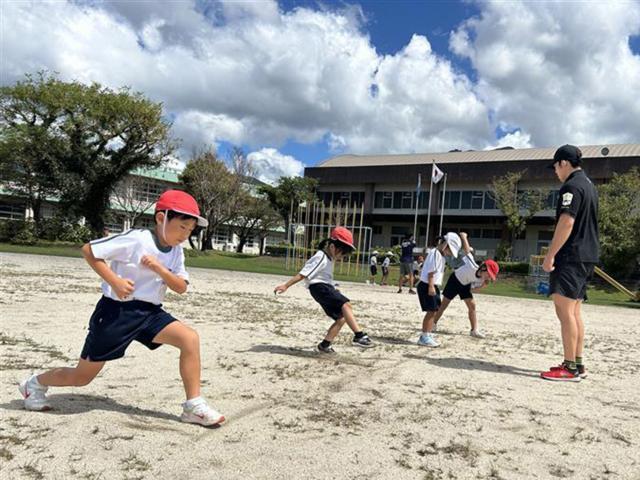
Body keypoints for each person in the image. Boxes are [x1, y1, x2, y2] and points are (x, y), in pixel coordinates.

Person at [18, 190, 225, 426]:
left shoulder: (176, 251)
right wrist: (114, 281)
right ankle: (34, 383)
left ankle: (193, 406)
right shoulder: (137, 239)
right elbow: (89, 250)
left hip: (149, 314)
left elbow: (181, 287)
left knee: (189, 338)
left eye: (190, 230)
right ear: (161, 218)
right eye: (182, 227)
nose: (185, 235)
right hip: (115, 313)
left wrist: (159, 269)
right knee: (81, 376)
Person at [541, 145, 599, 382]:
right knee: (574, 311)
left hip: (571, 256)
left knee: (564, 312)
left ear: (563, 163)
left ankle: (569, 368)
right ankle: (577, 362)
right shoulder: (590, 185)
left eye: (555, 166)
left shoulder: (572, 186)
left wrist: (550, 254)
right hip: (587, 254)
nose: (555, 171)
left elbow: (567, 221)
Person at [274, 226, 374, 354]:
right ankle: (359, 336)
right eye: (342, 253)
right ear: (332, 247)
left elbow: (326, 277)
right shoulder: (320, 256)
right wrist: (286, 285)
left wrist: (334, 288)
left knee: (342, 317)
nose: (343, 256)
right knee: (346, 305)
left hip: (324, 288)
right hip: (319, 287)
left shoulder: (329, 259)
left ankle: (325, 344)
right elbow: (303, 274)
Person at [432, 232, 499, 339]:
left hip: (465, 285)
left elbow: (472, 290)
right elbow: (467, 250)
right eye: (489, 274)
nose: (489, 277)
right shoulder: (472, 264)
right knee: (444, 305)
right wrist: (464, 237)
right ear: (483, 268)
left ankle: (474, 330)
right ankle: (433, 323)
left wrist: (483, 286)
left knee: (472, 306)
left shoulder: (482, 280)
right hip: (454, 281)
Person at [416, 233, 461, 347]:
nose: (450, 253)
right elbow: (431, 272)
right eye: (450, 250)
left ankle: (428, 333)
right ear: (445, 245)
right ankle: (424, 336)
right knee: (431, 311)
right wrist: (431, 286)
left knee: (435, 310)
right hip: (427, 285)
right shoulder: (435, 253)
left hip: (432, 285)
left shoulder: (440, 255)